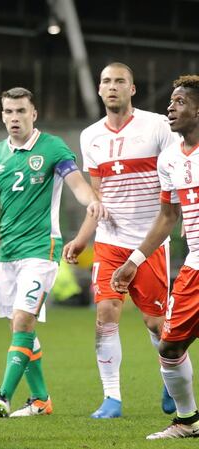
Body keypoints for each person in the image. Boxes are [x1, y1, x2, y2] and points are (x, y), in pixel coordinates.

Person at [0, 87, 106, 418]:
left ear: (34, 114)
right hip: (7, 253)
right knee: (20, 328)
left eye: (21, 111)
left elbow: (76, 184)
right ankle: (41, 400)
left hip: (41, 248)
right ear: (2, 115)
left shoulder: (52, 147)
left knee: (22, 319)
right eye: (8, 111)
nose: (14, 118)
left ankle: (3, 395)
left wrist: (91, 202)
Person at [63, 62, 179, 418]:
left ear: (133, 88)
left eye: (120, 81)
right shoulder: (90, 136)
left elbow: (177, 173)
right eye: (106, 81)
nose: (112, 86)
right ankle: (111, 397)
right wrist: (83, 238)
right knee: (105, 313)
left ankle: (172, 376)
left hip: (150, 241)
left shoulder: (158, 126)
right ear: (99, 89)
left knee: (155, 323)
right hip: (110, 240)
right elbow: (97, 197)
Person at [111, 75, 199, 439]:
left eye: (180, 102)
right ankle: (187, 421)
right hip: (195, 266)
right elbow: (167, 216)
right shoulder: (169, 160)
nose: (170, 107)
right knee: (170, 345)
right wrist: (133, 261)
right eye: (171, 101)